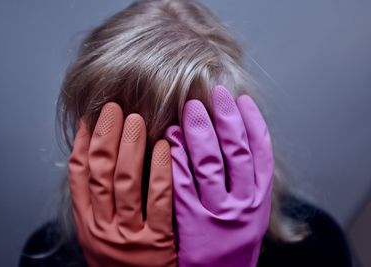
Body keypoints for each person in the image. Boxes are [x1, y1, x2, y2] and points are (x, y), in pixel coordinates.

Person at [19, 0, 352, 266]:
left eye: (193, 144)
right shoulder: (46, 255)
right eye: (135, 149)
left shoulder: (317, 245)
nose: (164, 175)